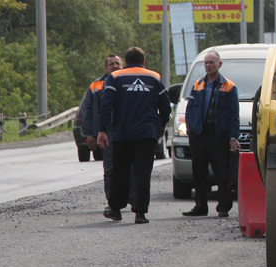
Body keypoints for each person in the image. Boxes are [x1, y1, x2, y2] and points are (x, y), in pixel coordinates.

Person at [97, 47, 171, 224]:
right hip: (146, 134)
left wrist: (103, 130)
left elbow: (106, 106)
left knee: (119, 172)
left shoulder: (115, 78)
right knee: (142, 173)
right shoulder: (154, 77)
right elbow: (166, 106)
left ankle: (115, 209)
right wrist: (160, 125)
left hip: (122, 133)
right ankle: (140, 213)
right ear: (143, 61)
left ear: (125, 61)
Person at [182, 50, 240, 218]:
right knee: (198, 172)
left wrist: (233, 137)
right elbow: (190, 109)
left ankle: (223, 207)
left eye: (211, 63)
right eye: (206, 63)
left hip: (218, 135)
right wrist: (191, 129)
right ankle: (200, 206)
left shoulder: (228, 86)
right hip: (199, 134)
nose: (208, 65)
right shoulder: (197, 84)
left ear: (219, 64)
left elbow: (233, 115)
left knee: (222, 172)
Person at [82, 54, 122, 212]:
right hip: (106, 133)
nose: (114, 66)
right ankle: (112, 200)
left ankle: (131, 198)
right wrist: (90, 134)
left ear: (122, 64)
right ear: (106, 67)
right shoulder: (96, 85)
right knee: (110, 168)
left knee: (129, 167)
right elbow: (88, 110)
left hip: (125, 132)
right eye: (111, 64)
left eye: (117, 63)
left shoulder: (126, 81)